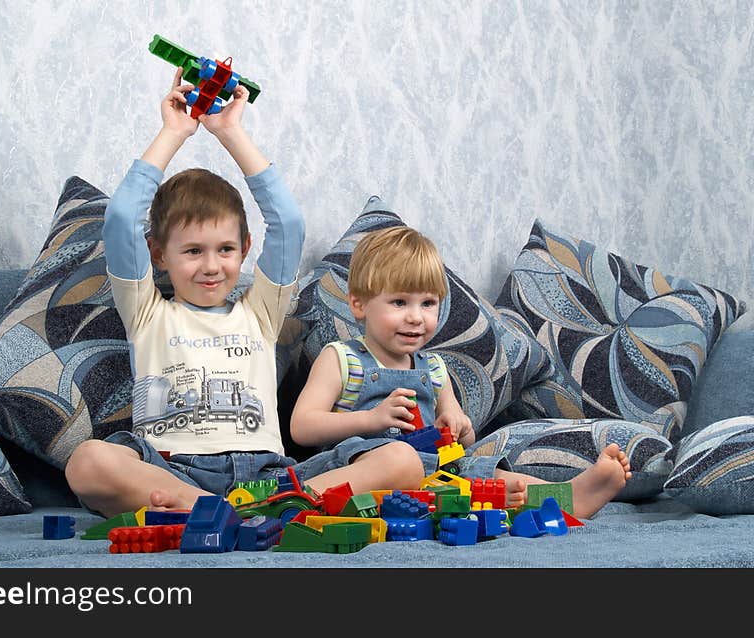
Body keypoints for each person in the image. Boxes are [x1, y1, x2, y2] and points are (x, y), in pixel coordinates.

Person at [65, 68, 423, 519]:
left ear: (245, 250)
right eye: (193, 251)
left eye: (226, 250)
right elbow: (120, 219)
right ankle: (220, 509)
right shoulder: (146, 313)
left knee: (403, 461)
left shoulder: (261, 312)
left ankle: (262, 506)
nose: (212, 266)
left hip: (267, 475)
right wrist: (174, 131)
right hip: (176, 471)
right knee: (88, 462)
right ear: (157, 254)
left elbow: (288, 223)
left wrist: (230, 131)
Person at [290, 225, 632, 518]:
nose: (415, 317)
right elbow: (302, 427)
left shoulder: (434, 370)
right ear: (359, 304)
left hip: (430, 476)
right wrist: (371, 420)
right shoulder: (342, 358)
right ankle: (302, 500)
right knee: (399, 457)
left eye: (427, 303)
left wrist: (458, 427)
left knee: (489, 475)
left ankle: (568, 496)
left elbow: (463, 437)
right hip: (361, 472)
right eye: (399, 303)